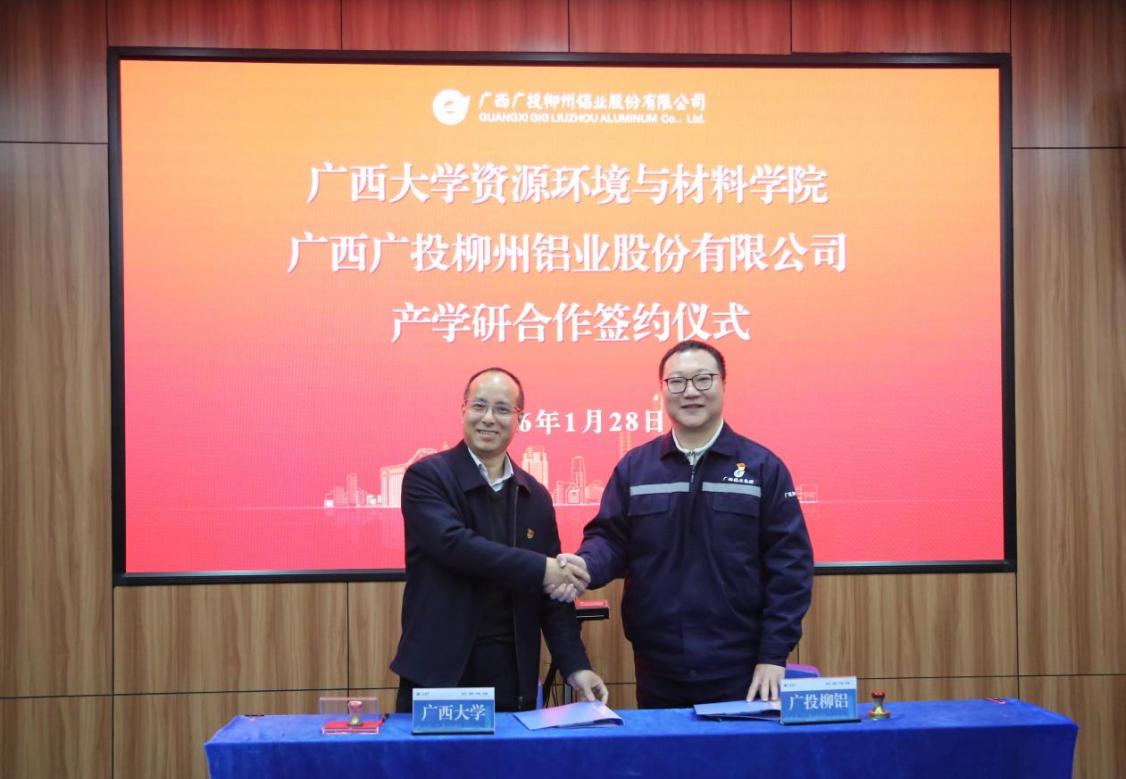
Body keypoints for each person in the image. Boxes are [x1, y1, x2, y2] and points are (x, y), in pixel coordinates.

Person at [549, 340, 813, 708]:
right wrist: (585, 566)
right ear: (662, 389)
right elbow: (610, 539)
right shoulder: (636, 467)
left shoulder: (762, 467)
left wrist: (773, 653)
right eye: (677, 382)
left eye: (703, 379)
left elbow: (791, 566)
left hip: (741, 665)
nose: (690, 392)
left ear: (723, 384)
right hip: (657, 664)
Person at [391, 367, 607, 713]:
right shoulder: (428, 477)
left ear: (520, 418)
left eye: (502, 409)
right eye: (479, 406)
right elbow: (455, 546)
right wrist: (544, 569)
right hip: (440, 674)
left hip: (511, 675)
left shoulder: (534, 495)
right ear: (463, 410)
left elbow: (552, 597)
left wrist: (575, 666)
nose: (489, 418)